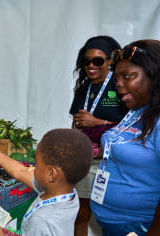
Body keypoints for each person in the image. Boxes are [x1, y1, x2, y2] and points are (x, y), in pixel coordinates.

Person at [90, 39, 160, 236]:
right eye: (117, 77)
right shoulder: (138, 110)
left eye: (127, 76)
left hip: (138, 228)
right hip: (114, 225)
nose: (118, 84)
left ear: (154, 76)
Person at [0, 128, 93, 236]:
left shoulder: (42, 221)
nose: (34, 168)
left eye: (37, 163)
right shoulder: (66, 192)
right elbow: (20, 171)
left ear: (51, 174)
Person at [69, 35, 127, 236]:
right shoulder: (84, 87)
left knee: (108, 216)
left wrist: (98, 122)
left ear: (110, 62)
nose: (91, 65)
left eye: (98, 60)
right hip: (86, 160)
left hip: (114, 162)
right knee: (80, 213)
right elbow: (76, 122)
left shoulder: (121, 87)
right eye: (86, 61)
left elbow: (134, 125)